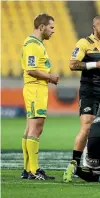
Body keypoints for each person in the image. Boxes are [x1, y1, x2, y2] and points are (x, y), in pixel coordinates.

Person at [64, 15, 100, 180]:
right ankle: (74, 163)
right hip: (89, 91)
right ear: (95, 27)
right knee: (87, 126)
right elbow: (72, 64)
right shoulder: (84, 43)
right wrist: (96, 64)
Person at [21, 13, 58, 180]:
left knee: (30, 127)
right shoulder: (32, 45)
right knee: (37, 127)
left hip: (36, 88)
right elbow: (31, 69)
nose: (53, 31)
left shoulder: (36, 44)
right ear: (41, 27)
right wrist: (50, 77)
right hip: (35, 88)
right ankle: (34, 170)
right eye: (51, 27)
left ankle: (28, 169)